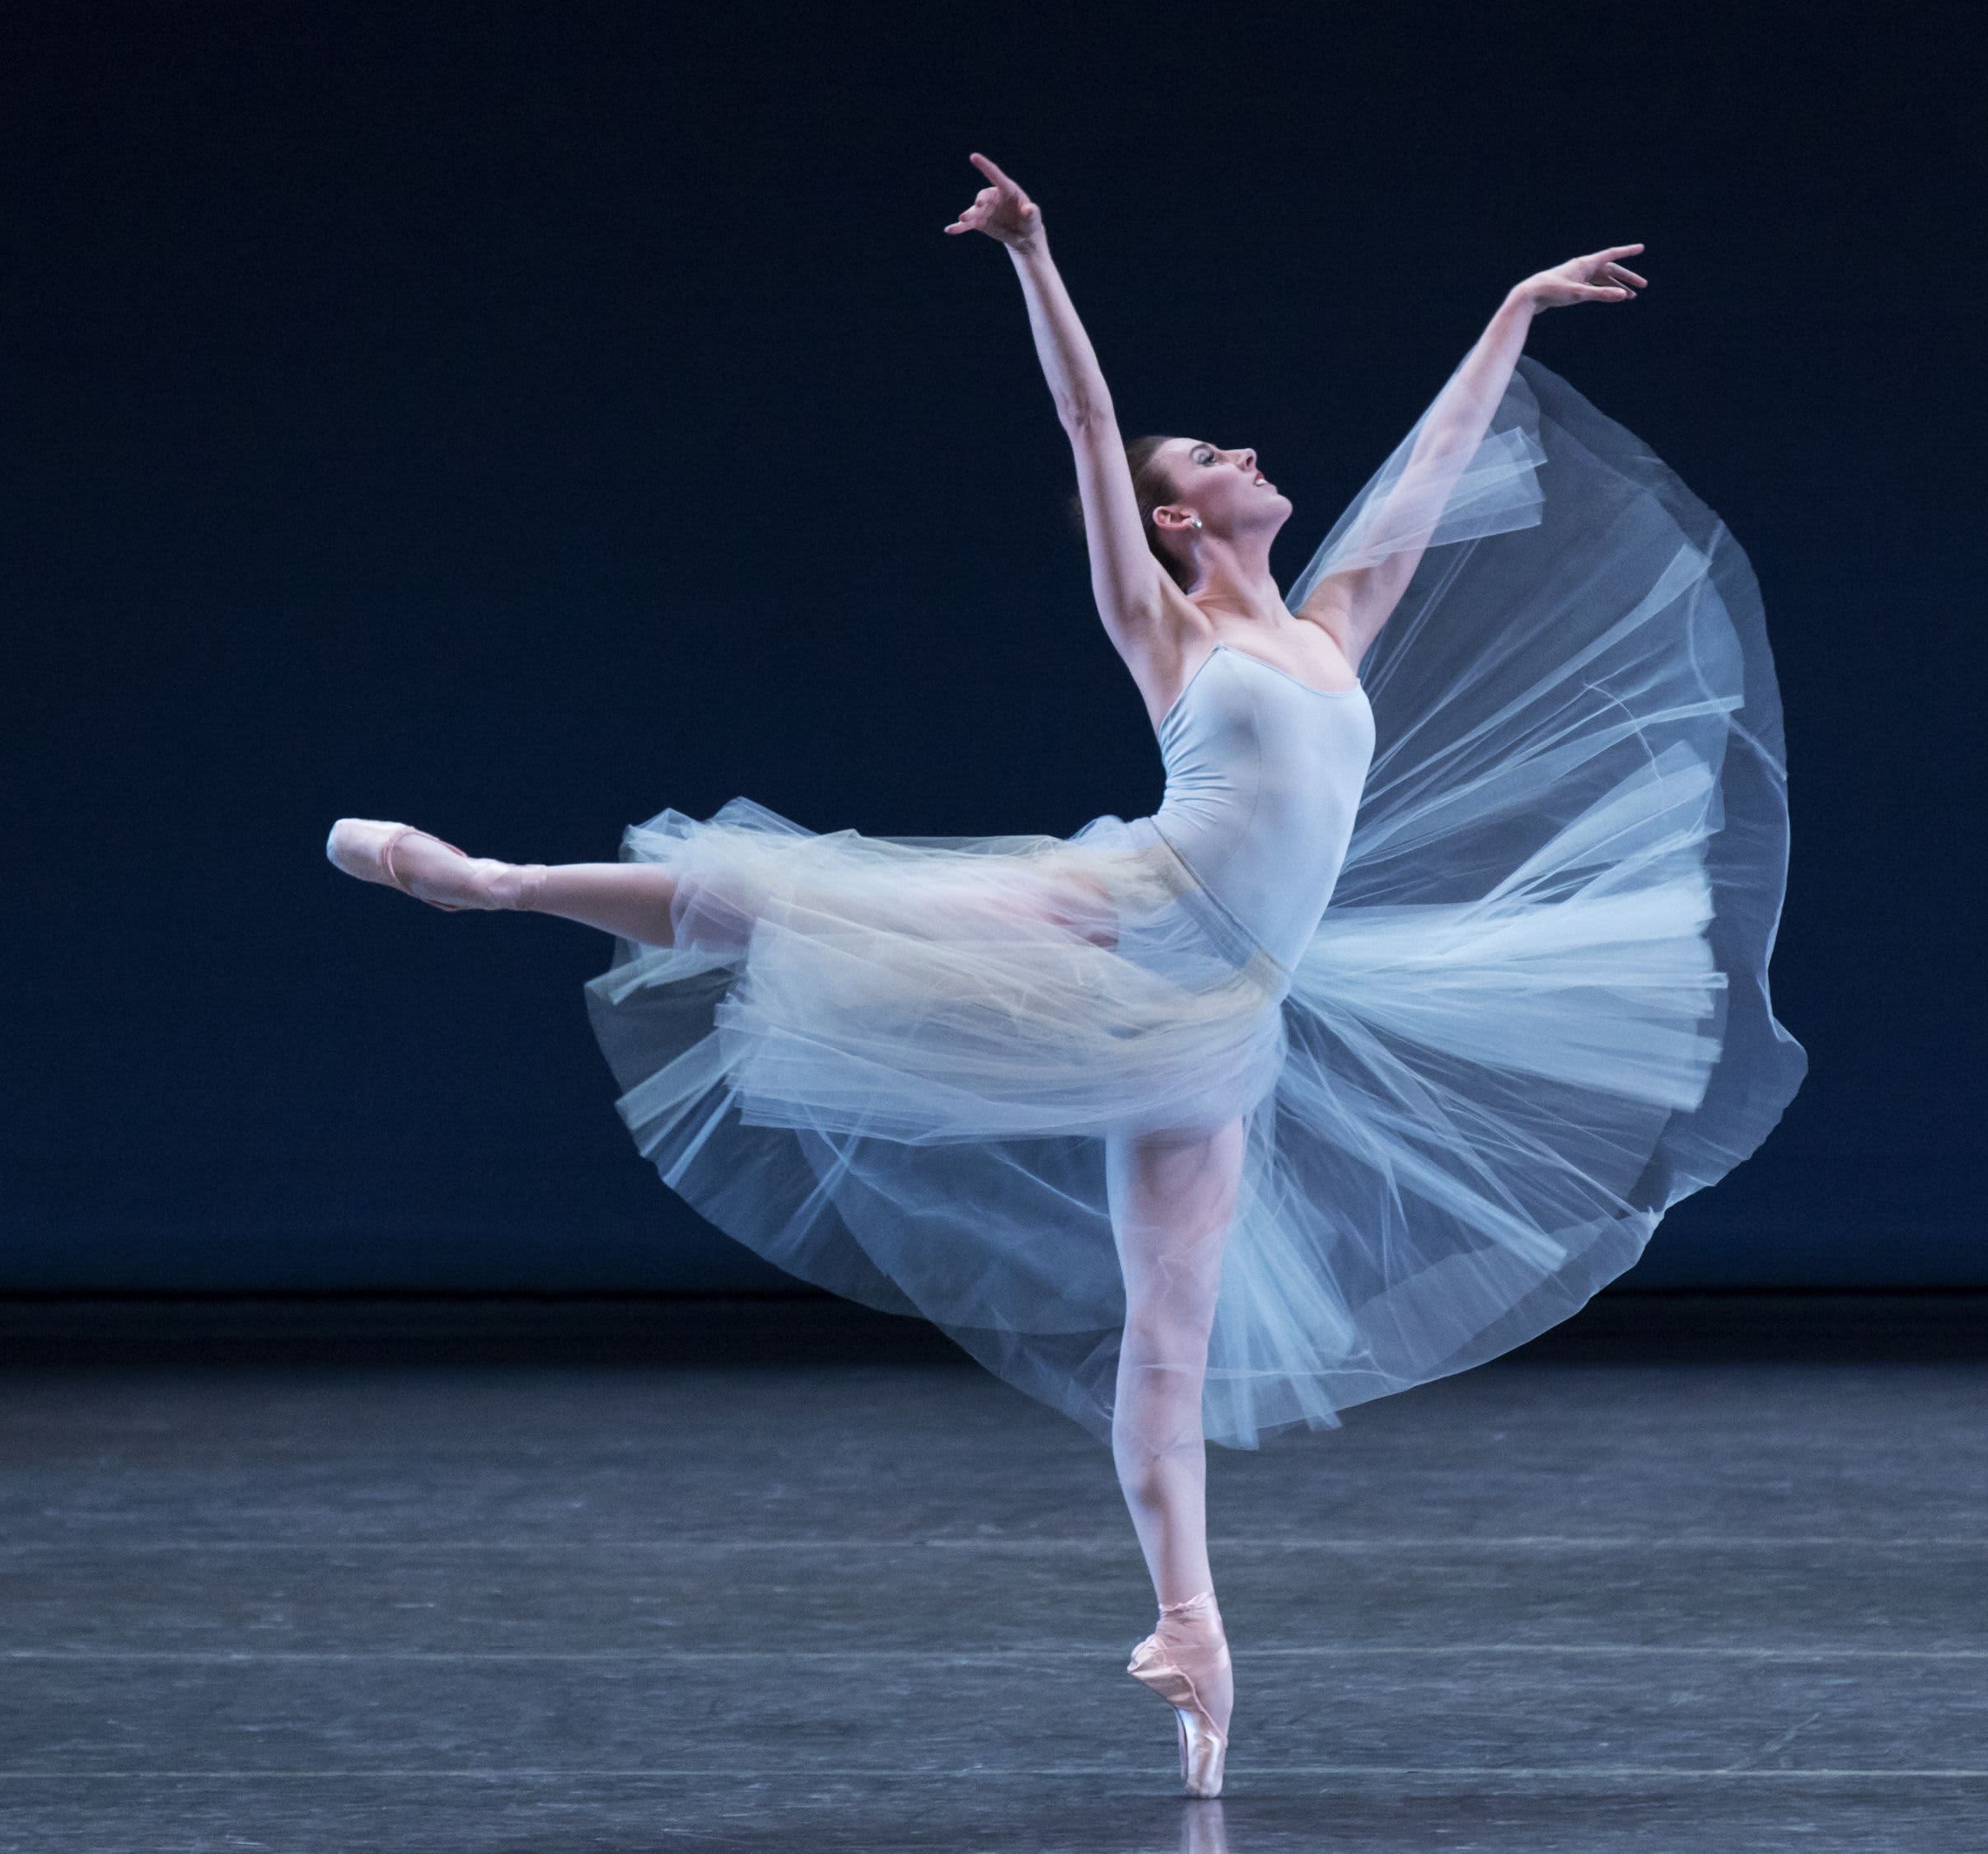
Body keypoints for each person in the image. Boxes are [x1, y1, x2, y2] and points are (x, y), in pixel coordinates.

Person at [325, 152, 1805, 1799]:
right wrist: (1036, 256)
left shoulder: (1326, 630)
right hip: (1113, 920)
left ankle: (1192, 1638)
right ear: (1179, 522)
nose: (1248, 453)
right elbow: (1092, 437)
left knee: (1170, 1341)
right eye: (1211, 457)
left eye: (1233, 447)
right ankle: (497, 883)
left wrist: (1511, 314)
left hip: (1220, 1017)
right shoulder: (1174, 633)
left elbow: (1424, 477)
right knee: (807, 901)